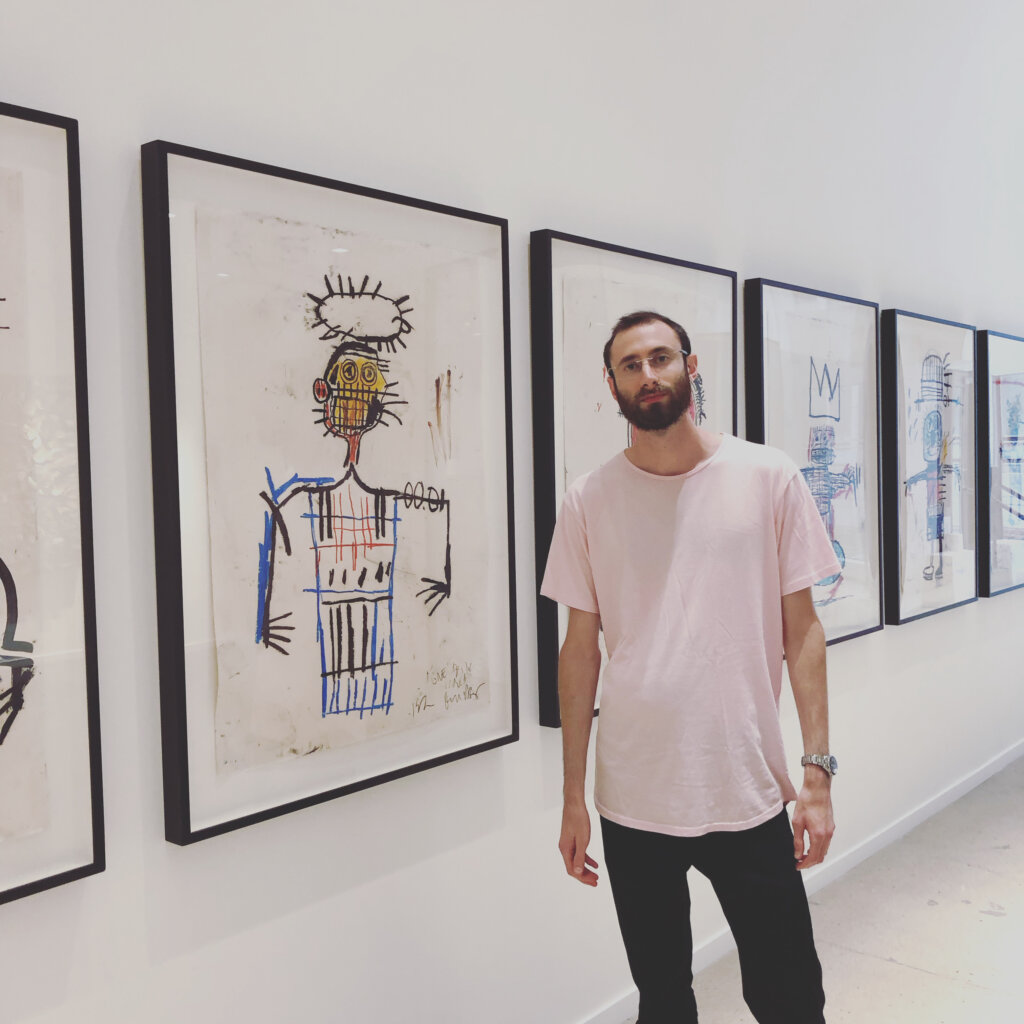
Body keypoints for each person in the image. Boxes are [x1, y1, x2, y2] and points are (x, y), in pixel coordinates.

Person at [540, 311, 840, 1024]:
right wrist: (572, 795)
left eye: (661, 358)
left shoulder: (766, 476)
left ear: (690, 365)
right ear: (610, 383)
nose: (648, 375)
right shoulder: (589, 498)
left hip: (746, 788)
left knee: (790, 996)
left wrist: (817, 775)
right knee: (664, 999)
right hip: (634, 798)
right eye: (631, 365)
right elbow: (579, 650)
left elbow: (803, 634)